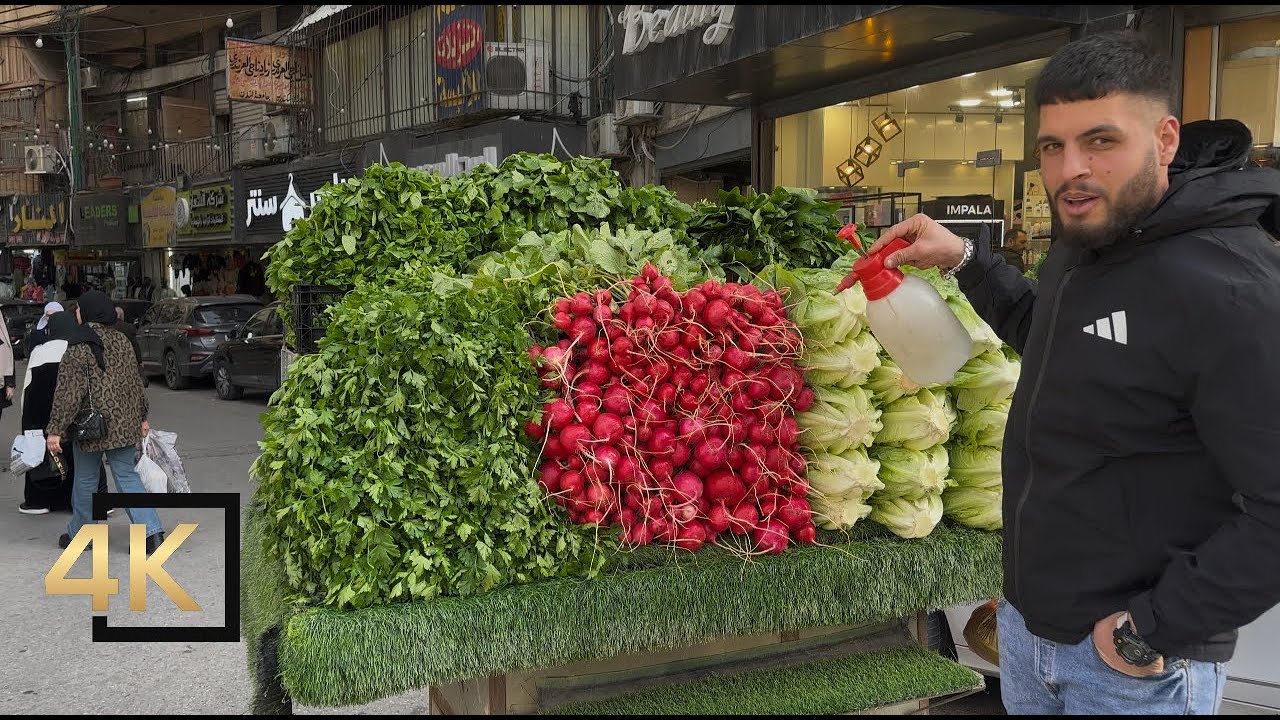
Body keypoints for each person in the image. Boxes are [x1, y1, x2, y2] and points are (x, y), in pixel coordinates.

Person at [855, 32, 1280, 715]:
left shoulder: (1229, 287)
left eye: (1101, 141)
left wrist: (1154, 628)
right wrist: (965, 258)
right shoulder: (1093, 241)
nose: (1070, 169)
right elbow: (1050, 337)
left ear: (1165, 139)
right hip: (1031, 635)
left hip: (1129, 668)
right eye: (1052, 146)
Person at [46, 291, 164, 554]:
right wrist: (142, 416)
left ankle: (84, 535)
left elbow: (68, 393)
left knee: (86, 480)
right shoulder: (122, 340)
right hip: (123, 425)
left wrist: (55, 429)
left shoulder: (78, 345)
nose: (76, 313)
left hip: (91, 427)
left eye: (78, 309)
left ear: (87, 312)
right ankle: (152, 534)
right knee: (127, 476)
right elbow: (135, 383)